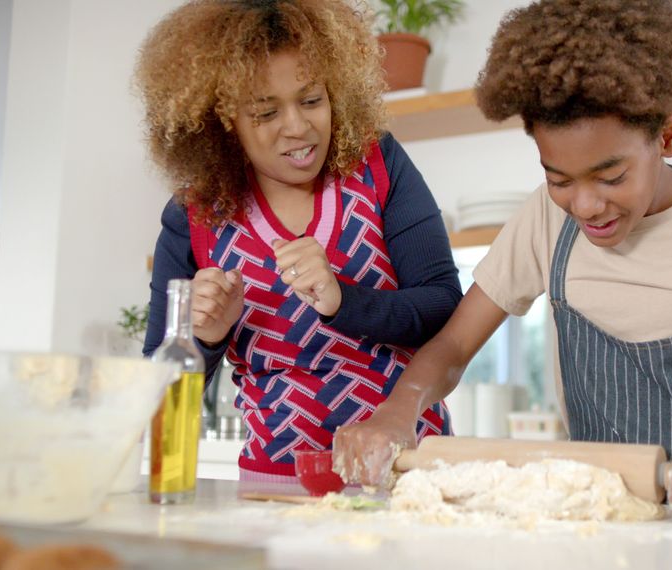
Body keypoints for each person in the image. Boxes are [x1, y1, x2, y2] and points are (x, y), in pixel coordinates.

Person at [334, 0, 672, 510]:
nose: (585, 206)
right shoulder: (546, 218)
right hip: (598, 513)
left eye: (611, 177)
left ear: (669, 135)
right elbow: (453, 346)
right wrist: (398, 409)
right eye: (558, 178)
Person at [135, 0, 462, 481]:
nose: (298, 126)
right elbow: (156, 392)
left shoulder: (378, 166)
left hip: (409, 469)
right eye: (266, 112)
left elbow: (443, 307)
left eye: (311, 100)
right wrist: (204, 339)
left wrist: (344, 301)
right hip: (275, 482)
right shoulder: (194, 218)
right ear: (223, 125)